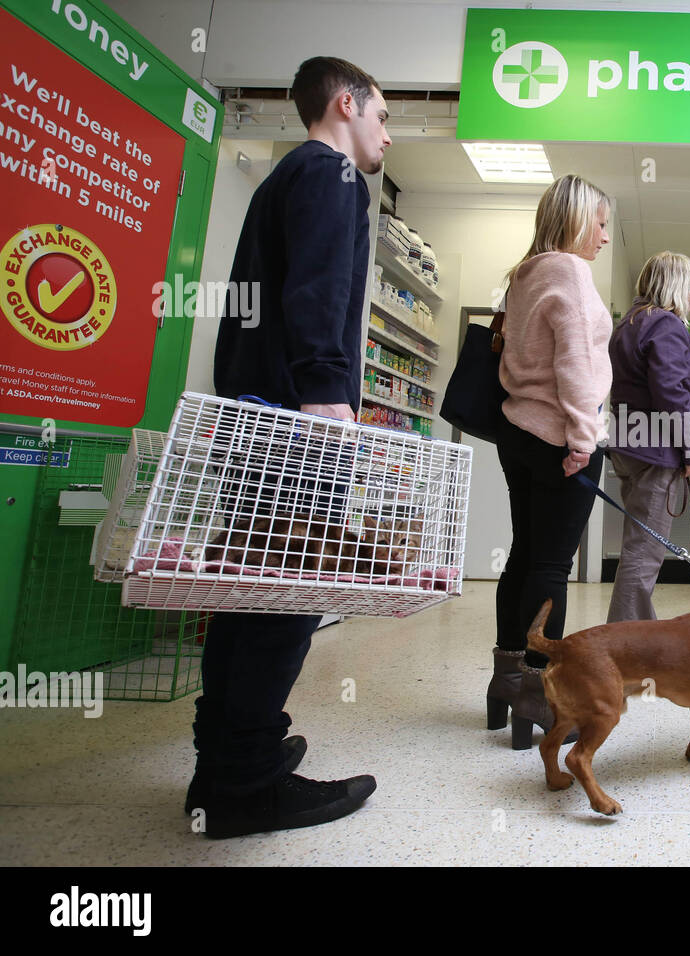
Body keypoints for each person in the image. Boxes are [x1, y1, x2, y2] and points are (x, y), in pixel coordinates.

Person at [191, 56, 391, 838]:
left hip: (256, 411)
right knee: (285, 598)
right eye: (380, 117)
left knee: (245, 593)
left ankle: (226, 763)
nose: (385, 136)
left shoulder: (284, 178)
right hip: (297, 418)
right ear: (346, 104)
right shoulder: (333, 177)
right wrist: (325, 395)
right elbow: (318, 291)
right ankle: (248, 786)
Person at [490, 174, 613, 751]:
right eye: (602, 223)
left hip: (519, 432)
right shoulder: (568, 269)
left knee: (523, 557)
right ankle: (539, 692)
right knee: (552, 567)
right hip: (562, 437)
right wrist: (585, 440)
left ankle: (507, 680)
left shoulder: (524, 273)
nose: (605, 238)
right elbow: (575, 361)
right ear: (577, 219)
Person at [606, 252, 690, 623]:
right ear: (674, 284)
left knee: (637, 546)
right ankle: (629, 640)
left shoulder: (629, 323)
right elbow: (671, 392)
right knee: (645, 553)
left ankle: (632, 631)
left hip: (628, 445)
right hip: (656, 449)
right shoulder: (665, 325)